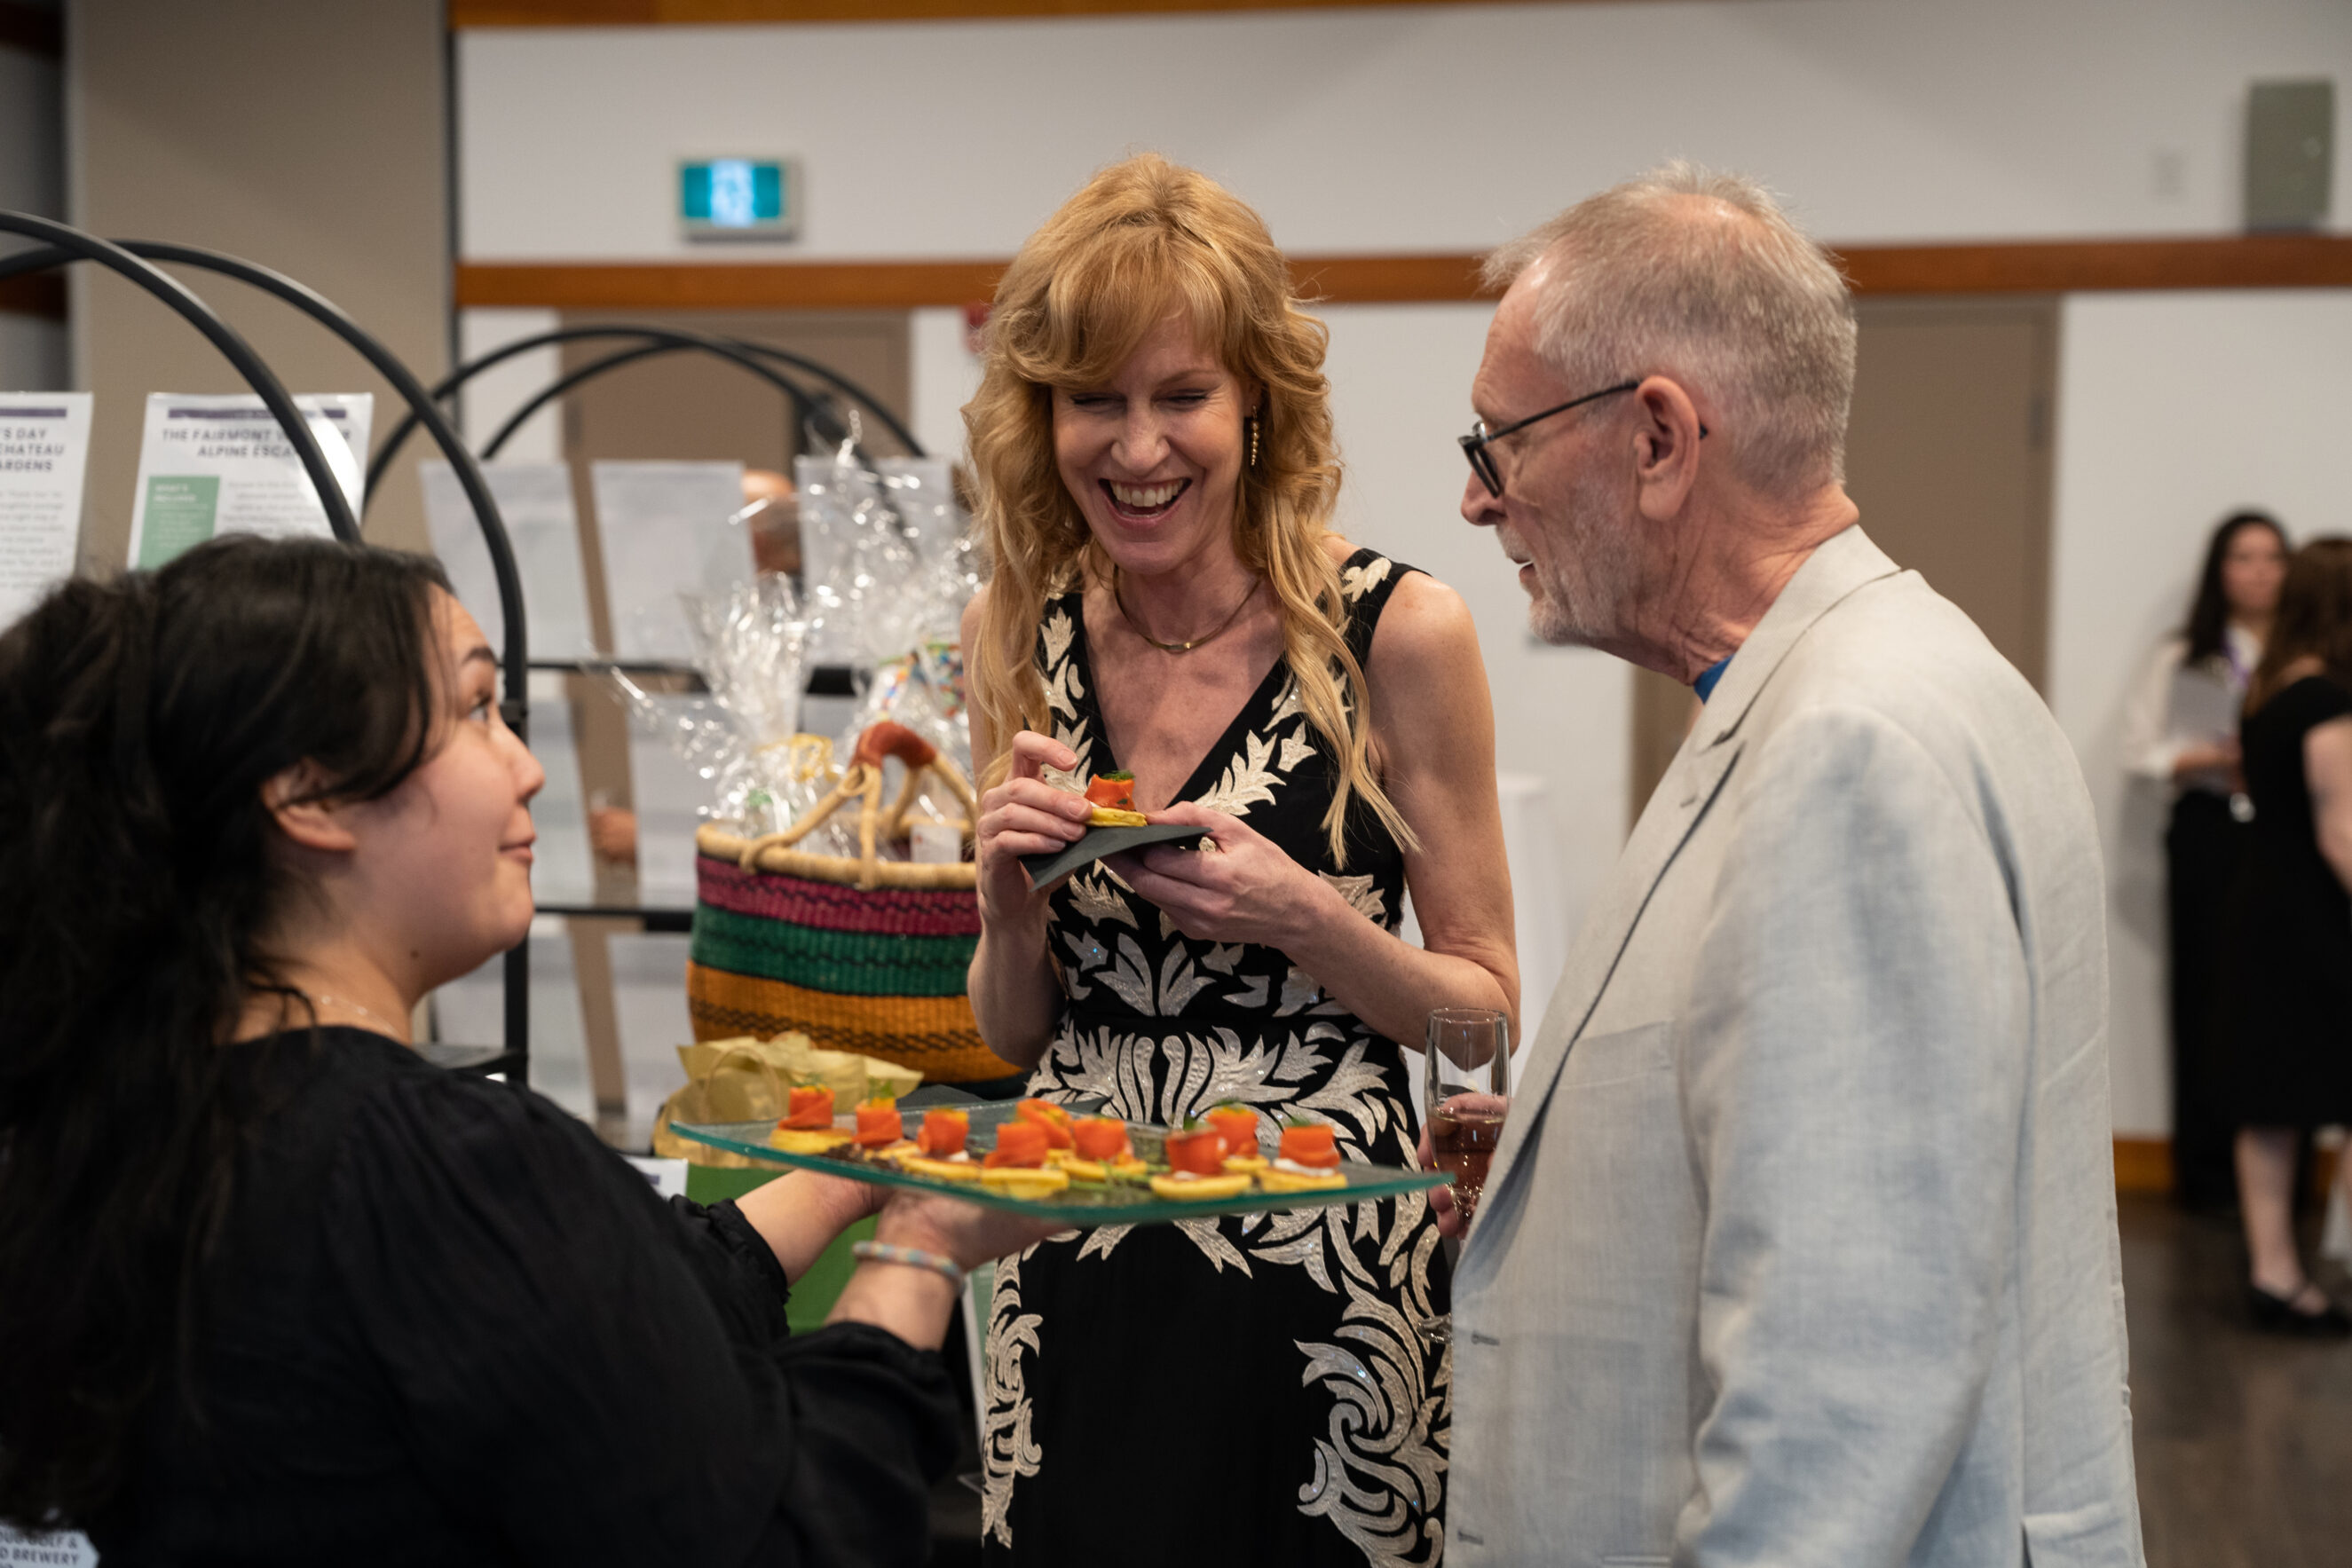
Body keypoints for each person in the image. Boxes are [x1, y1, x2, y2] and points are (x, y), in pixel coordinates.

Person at [0, 535, 1054, 1564]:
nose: (530, 769)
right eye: (475, 709)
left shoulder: (140, 1129)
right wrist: (920, 1255)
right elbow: (787, 1534)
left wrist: (850, 1180)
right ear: (310, 795)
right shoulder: (439, 1163)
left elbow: (595, 1320)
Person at [1435, 164, 2143, 1564]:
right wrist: (1569, 1164)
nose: (1475, 499)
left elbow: (1843, 1388)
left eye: (1499, 441)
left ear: (1656, 438)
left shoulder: (1847, 745)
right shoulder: (1877, 673)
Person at [960, 154, 1517, 1565]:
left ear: (1254, 399)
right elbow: (1017, 1036)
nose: (1135, 447)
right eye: (1094, 399)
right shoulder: (1015, 629)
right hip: (1066, 1266)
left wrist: (1305, 918)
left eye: (1180, 395)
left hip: (1324, 1294)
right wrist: (1007, 915)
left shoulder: (1394, 630)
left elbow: (1484, 1011)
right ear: (1042, 414)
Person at [2120, 510, 2288, 1209]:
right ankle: (2207, 1175)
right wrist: (2210, 756)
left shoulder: (2303, 657)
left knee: (2280, 1001)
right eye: (2243, 557)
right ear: (2220, 569)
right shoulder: (2188, 654)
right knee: (2204, 994)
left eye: (2272, 557)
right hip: (2209, 830)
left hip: (2280, 830)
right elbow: (2142, 751)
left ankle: (2280, 1180)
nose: (2259, 572)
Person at [2218, 537, 2352, 1335]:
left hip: (2263, 910)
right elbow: (2343, 835)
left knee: (2271, 1100)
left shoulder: (2269, 691)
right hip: (2318, 923)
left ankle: (2274, 1272)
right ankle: (2287, 1272)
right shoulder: (2329, 702)